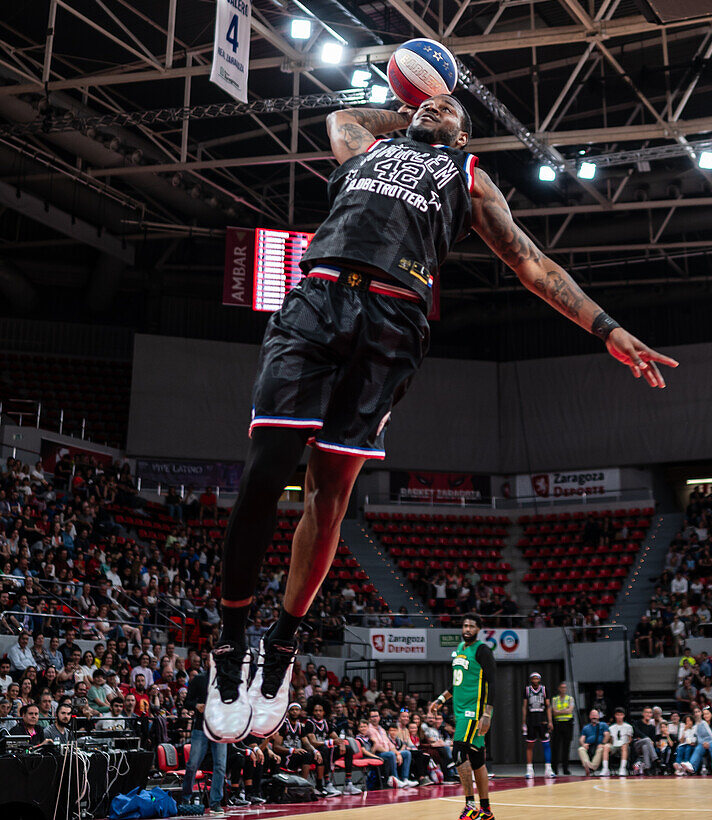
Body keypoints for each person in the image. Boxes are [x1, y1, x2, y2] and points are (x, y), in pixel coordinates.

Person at [203, 92, 677, 742]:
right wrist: (413, 107)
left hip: (393, 322)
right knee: (265, 472)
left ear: (463, 135)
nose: (441, 105)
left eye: (452, 108)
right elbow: (341, 119)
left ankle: (282, 645)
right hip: (318, 298)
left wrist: (607, 329)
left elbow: (533, 264)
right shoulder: (370, 146)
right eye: (435, 102)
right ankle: (230, 644)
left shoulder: (468, 176)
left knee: (331, 494)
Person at [431, 614, 495, 820]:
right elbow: (457, 682)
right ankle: (486, 811)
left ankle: (470, 806)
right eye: (465, 625)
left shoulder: (483, 650)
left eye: (471, 626)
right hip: (460, 710)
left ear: (478, 629)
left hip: (473, 711)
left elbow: (492, 683)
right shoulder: (460, 648)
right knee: (477, 760)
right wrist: (441, 699)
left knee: (458, 753)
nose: (467, 629)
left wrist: (487, 713)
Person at [181, 669, 226, 815]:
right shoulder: (199, 679)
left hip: (219, 728)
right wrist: (196, 705)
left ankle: (215, 802)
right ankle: (186, 798)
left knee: (220, 765)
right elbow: (187, 702)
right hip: (201, 727)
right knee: (192, 764)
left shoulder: (226, 680)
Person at [522, 671, 554, 779]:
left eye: (537, 678)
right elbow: (524, 707)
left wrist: (550, 721)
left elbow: (548, 706)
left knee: (546, 744)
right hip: (531, 720)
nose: (535, 680)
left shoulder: (544, 690)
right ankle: (529, 769)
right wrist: (523, 722)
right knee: (530, 745)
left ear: (539, 680)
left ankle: (548, 769)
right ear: (531, 680)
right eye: (533, 679)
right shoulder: (527, 690)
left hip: (542, 720)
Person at [551, 682, 575, 775]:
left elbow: (570, 710)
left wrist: (559, 711)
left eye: (565, 688)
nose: (563, 689)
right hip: (557, 724)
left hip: (568, 724)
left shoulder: (570, 699)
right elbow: (554, 712)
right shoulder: (554, 699)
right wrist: (564, 711)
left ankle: (566, 768)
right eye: (562, 687)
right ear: (559, 688)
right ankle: (555, 768)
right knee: (556, 747)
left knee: (566, 746)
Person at [601, 708, 632, 777]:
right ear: (615, 716)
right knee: (606, 746)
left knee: (624, 746)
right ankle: (605, 768)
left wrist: (626, 744)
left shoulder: (628, 727)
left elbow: (630, 739)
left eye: (621, 715)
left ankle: (622, 768)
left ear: (623, 715)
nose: (619, 717)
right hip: (614, 746)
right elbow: (611, 740)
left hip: (624, 746)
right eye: (617, 715)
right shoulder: (611, 727)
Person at [578, 709, 609, 775]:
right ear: (589, 716)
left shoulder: (603, 725)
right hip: (589, 746)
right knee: (581, 749)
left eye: (595, 715)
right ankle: (588, 766)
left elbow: (607, 735)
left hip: (599, 745)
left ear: (598, 716)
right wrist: (583, 744)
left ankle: (591, 768)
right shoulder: (586, 727)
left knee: (600, 749)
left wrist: (602, 743)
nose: (594, 717)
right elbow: (581, 739)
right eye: (592, 715)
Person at [632, 706, 658, 774]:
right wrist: (648, 739)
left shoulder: (652, 727)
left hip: (646, 746)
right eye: (646, 712)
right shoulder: (637, 723)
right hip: (636, 745)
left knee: (645, 746)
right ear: (643, 714)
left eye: (650, 713)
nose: (648, 714)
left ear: (651, 715)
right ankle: (654, 758)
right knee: (647, 740)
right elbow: (636, 733)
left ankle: (647, 767)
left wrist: (649, 741)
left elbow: (653, 741)